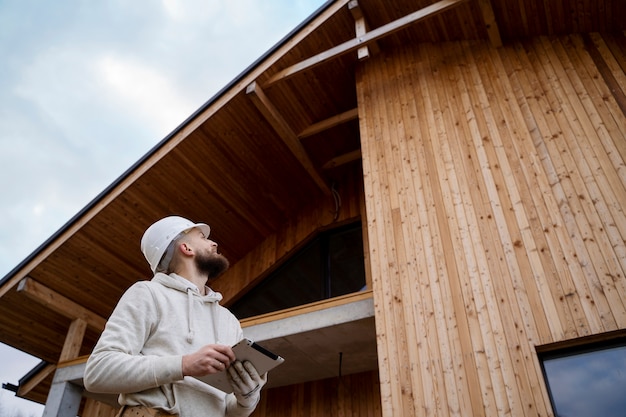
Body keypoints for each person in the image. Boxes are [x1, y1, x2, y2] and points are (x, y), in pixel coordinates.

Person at [85, 216, 266, 417]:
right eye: (202, 237)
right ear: (186, 248)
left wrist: (246, 399)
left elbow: (228, 411)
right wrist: (184, 364)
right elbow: (98, 371)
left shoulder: (229, 321)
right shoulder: (148, 293)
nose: (214, 243)